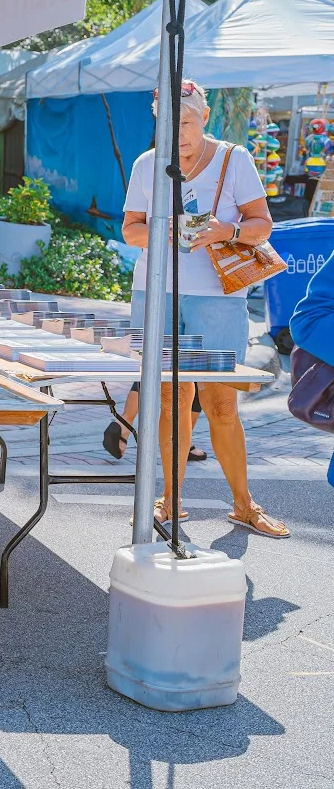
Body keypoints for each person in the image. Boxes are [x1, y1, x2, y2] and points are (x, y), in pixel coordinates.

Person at [122, 80, 287, 537]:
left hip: (217, 298)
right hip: (156, 291)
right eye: (169, 123)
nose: (179, 133)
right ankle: (170, 500)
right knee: (170, 400)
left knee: (221, 403)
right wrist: (166, 229)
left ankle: (244, 504)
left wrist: (225, 231)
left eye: (188, 122)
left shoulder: (235, 159)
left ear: (205, 118)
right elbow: (131, 230)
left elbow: (262, 225)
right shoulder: (147, 164)